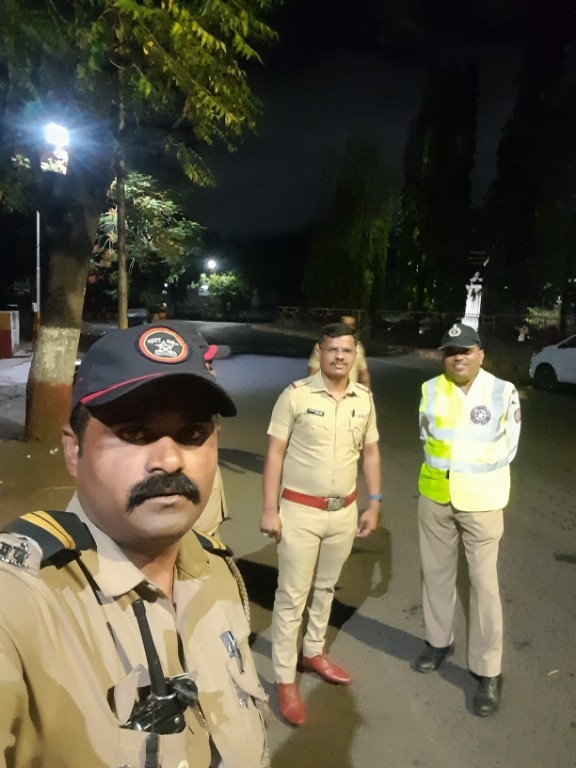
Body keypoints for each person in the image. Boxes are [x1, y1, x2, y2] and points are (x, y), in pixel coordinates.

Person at [0, 322, 269, 768]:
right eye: (135, 433)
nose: (169, 460)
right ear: (74, 450)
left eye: (192, 434)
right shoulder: (18, 601)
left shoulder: (218, 570)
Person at [261, 322, 382, 727]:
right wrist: (270, 508)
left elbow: (370, 453)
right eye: (333, 350)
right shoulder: (295, 395)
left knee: (327, 587)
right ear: (321, 351)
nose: (340, 356)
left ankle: (313, 651)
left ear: (355, 355)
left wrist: (374, 502)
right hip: (300, 511)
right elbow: (275, 453)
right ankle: (284, 678)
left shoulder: (363, 399)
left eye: (347, 351)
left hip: (343, 511)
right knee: (292, 596)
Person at [414, 322, 521, 718]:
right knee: (435, 574)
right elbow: (426, 437)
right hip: (435, 495)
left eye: (465, 350)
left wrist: (471, 473)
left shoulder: (502, 391)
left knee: (483, 584)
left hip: (482, 499)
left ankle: (489, 672)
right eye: (450, 352)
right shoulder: (430, 389)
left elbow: (509, 445)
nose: (457, 357)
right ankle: (438, 642)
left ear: (480, 355)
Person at [307, 315, 371, 388]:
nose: (349, 327)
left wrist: (367, 393)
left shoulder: (358, 348)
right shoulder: (322, 346)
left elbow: (364, 375)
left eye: (352, 325)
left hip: (350, 393)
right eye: (345, 324)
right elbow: (313, 373)